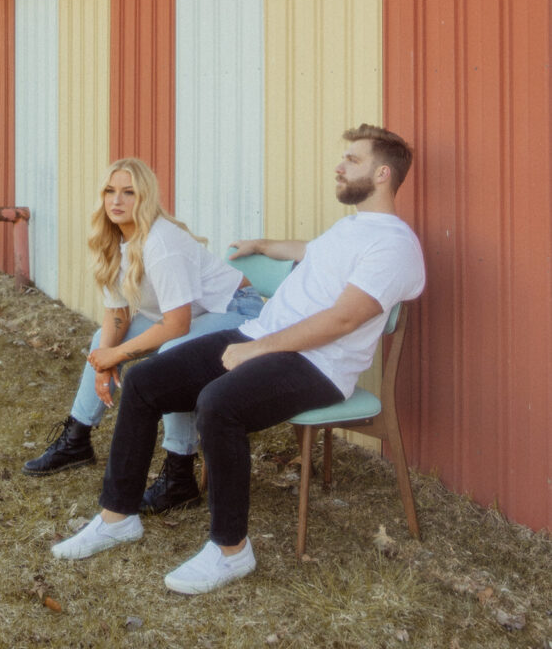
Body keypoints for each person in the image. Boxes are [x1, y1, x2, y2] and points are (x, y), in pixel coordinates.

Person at [49, 125, 426, 595]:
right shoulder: (351, 228)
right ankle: (117, 516)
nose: (339, 165)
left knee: (218, 403)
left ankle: (231, 550)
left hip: (319, 366)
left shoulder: (394, 245)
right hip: (261, 334)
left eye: (352, 159)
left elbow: (345, 320)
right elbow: (313, 254)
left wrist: (257, 348)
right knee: (145, 381)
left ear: (383, 173)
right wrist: (265, 246)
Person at [22, 156, 263, 514]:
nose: (116, 201)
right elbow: (117, 313)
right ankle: (77, 439)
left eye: (128, 193)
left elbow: (177, 325)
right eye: (110, 191)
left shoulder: (160, 244)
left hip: (236, 311)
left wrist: (118, 356)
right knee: (99, 342)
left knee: (174, 355)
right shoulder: (113, 239)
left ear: (145, 198)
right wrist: (104, 361)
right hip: (187, 317)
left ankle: (180, 475)